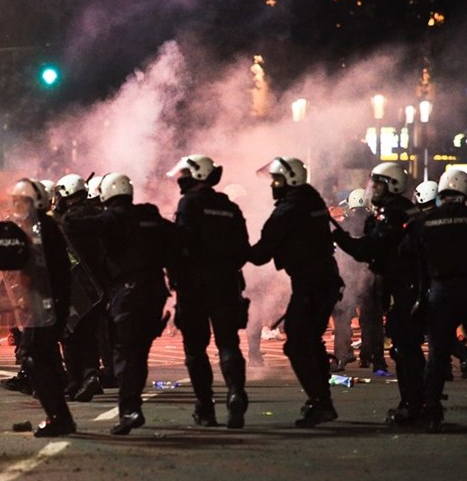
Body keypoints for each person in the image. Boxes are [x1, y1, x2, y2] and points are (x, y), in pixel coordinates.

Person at [69, 173, 178, 435]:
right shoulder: (149, 216)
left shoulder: (112, 218)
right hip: (155, 292)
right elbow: (178, 238)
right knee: (139, 352)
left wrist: (61, 214)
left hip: (128, 293)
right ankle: (132, 405)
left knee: (124, 352)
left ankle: (130, 410)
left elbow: (79, 226)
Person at [248, 157, 342, 428]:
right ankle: (322, 400)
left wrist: (233, 248)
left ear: (290, 180)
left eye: (277, 180)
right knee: (311, 341)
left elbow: (261, 254)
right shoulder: (312, 199)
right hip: (325, 279)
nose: (273, 186)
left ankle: (321, 402)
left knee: (297, 344)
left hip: (311, 282)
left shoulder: (289, 210)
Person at [332, 162, 423, 425]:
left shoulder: (394, 214)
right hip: (405, 285)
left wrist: (339, 236)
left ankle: (413, 405)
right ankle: (420, 402)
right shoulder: (400, 210)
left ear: (392, 185)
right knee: (406, 347)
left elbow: (368, 249)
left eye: (379, 184)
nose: (374, 189)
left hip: (406, 286)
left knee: (405, 349)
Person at [167, 154, 250, 429]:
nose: (180, 179)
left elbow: (181, 242)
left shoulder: (189, 203)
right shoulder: (229, 207)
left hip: (194, 288)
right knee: (228, 343)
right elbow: (243, 250)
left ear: (197, 175)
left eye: (184, 174)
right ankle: (236, 394)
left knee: (195, 349)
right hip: (226, 284)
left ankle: (205, 408)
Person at [405, 168, 467, 431]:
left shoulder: (426, 221)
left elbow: (410, 254)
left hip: (440, 291)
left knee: (437, 354)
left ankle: (432, 412)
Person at [9, 178, 76, 436]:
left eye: (21, 201)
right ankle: (59, 415)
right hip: (47, 301)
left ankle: (59, 417)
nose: (17, 206)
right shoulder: (44, 226)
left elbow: (38, 268)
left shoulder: (40, 228)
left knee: (35, 356)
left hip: (46, 303)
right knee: (39, 355)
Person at [55, 173, 107, 403]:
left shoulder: (67, 221)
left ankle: (78, 378)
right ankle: (90, 374)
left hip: (74, 284)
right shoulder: (100, 215)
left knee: (71, 333)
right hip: (99, 285)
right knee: (91, 332)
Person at [330, 189, 385, 372]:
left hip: (348, 276)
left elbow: (337, 251)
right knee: (371, 319)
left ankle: (341, 357)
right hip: (369, 275)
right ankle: (373, 358)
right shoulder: (374, 223)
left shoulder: (343, 224)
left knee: (342, 317)